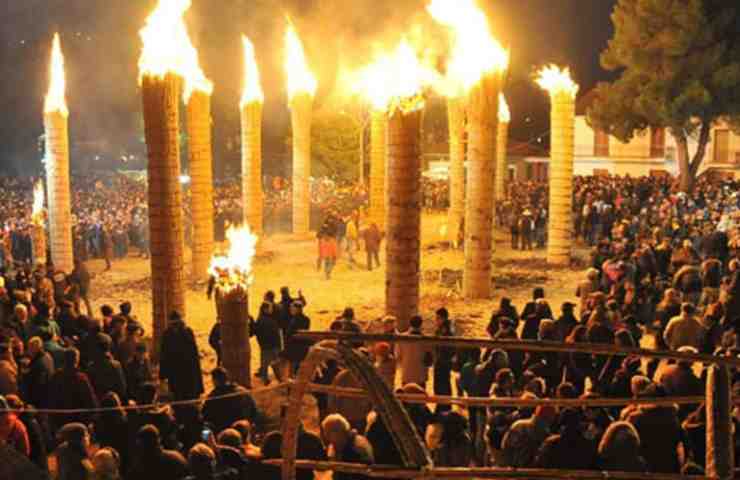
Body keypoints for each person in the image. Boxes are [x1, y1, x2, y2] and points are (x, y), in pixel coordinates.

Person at [159, 311, 204, 400]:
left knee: (189, 395)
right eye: (173, 324)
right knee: (177, 396)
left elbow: (193, 354)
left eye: (176, 324)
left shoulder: (187, 332)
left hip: (188, 371)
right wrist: (162, 375)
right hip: (174, 372)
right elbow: (164, 355)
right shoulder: (167, 334)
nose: (174, 326)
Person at [202, 367, 258, 434]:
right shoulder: (242, 390)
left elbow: (205, 417)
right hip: (244, 430)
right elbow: (254, 410)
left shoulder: (213, 397)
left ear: (215, 380)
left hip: (224, 433)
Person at [321, 414, 374, 480]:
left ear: (339, 430)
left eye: (328, 432)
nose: (326, 436)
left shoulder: (356, 448)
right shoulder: (340, 445)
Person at [87, 333, 128, 403]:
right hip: (114, 402)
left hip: (98, 403)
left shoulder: (91, 367)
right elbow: (122, 388)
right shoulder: (116, 365)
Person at [396, 315, 431, 389]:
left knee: (406, 397)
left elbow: (398, 355)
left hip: (407, 373)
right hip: (421, 374)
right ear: (421, 324)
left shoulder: (402, 338)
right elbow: (429, 358)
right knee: (420, 397)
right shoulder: (427, 339)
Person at [252, 301, 282, 385]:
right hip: (272, 346)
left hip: (264, 346)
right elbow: (275, 335)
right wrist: (278, 346)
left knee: (265, 365)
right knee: (276, 364)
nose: (271, 309)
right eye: (270, 308)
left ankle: (265, 380)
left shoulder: (259, 319)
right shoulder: (270, 321)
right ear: (265, 309)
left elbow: (257, 333)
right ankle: (281, 380)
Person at [22, 336, 55, 410]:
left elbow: (38, 385)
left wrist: (25, 374)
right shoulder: (48, 356)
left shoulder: (38, 364)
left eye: (29, 348)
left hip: (39, 403)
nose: (28, 351)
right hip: (47, 397)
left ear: (35, 348)